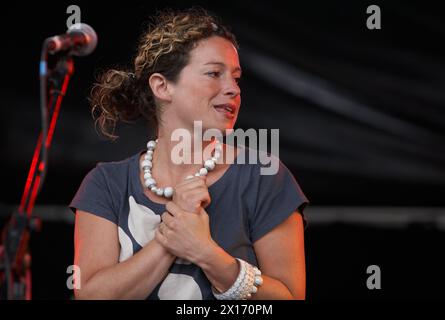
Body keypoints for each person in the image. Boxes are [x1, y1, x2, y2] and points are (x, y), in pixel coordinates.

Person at [69, 7, 309, 300]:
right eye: (214, 74)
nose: (233, 89)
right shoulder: (105, 184)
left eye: (236, 78)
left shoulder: (263, 176)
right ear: (162, 86)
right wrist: (172, 233)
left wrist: (207, 254)